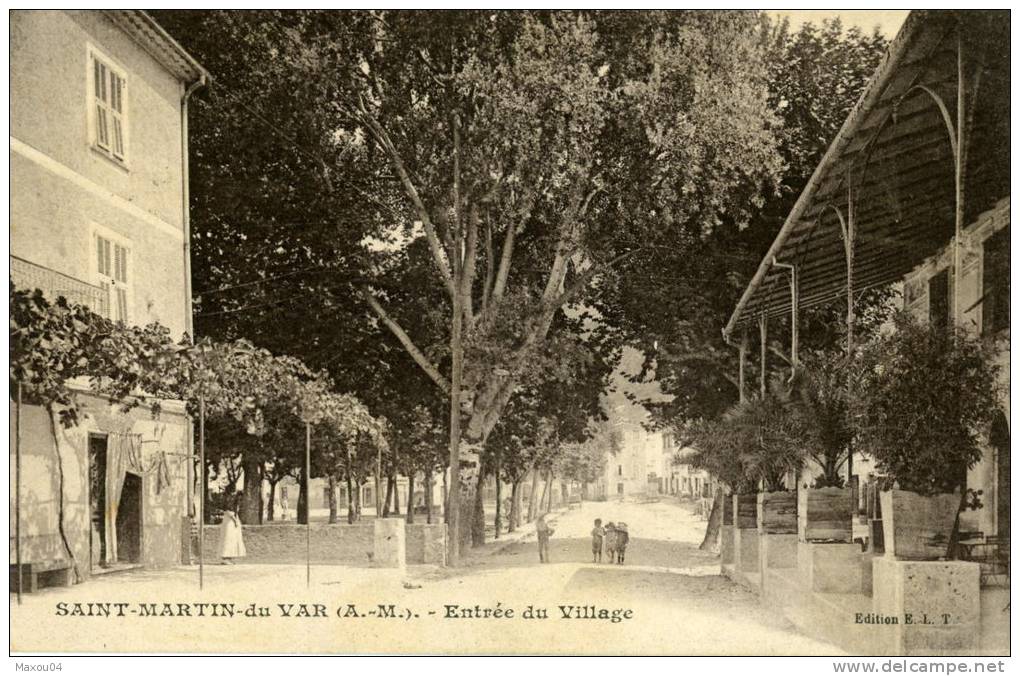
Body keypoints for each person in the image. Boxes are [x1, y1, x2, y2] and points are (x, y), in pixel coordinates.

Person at [219, 498, 247, 565]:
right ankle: (225, 557)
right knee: (228, 539)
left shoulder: (233, 504)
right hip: (229, 523)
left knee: (232, 539)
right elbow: (229, 512)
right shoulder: (230, 503)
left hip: (230, 521)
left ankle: (229, 557)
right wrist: (235, 521)